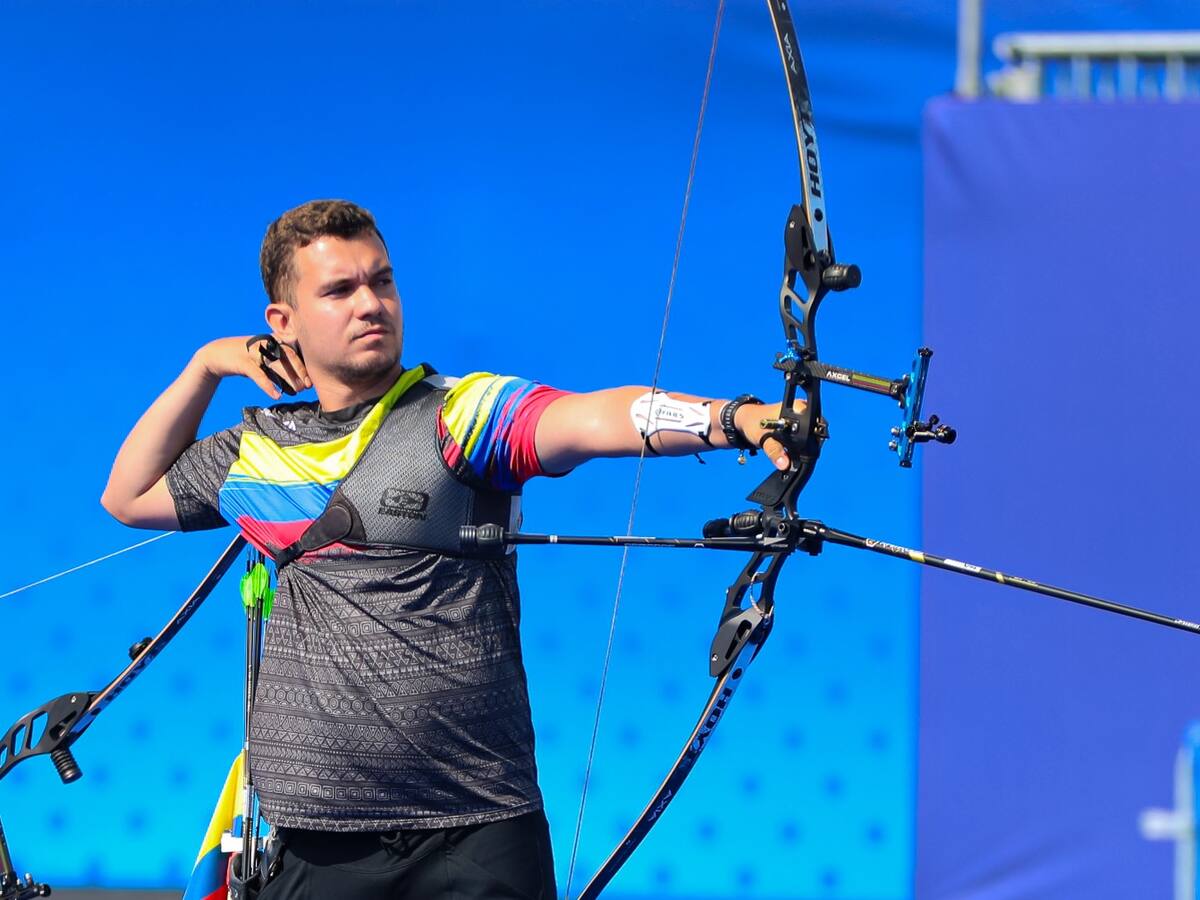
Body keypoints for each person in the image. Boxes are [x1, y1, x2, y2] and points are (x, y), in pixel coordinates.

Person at [101, 199, 792, 899]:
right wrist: (206, 366)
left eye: (383, 281)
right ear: (282, 324)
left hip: (477, 835)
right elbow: (128, 496)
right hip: (313, 846)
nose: (371, 303)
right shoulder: (258, 451)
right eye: (340, 290)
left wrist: (732, 419)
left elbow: (592, 418)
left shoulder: (462, 413)